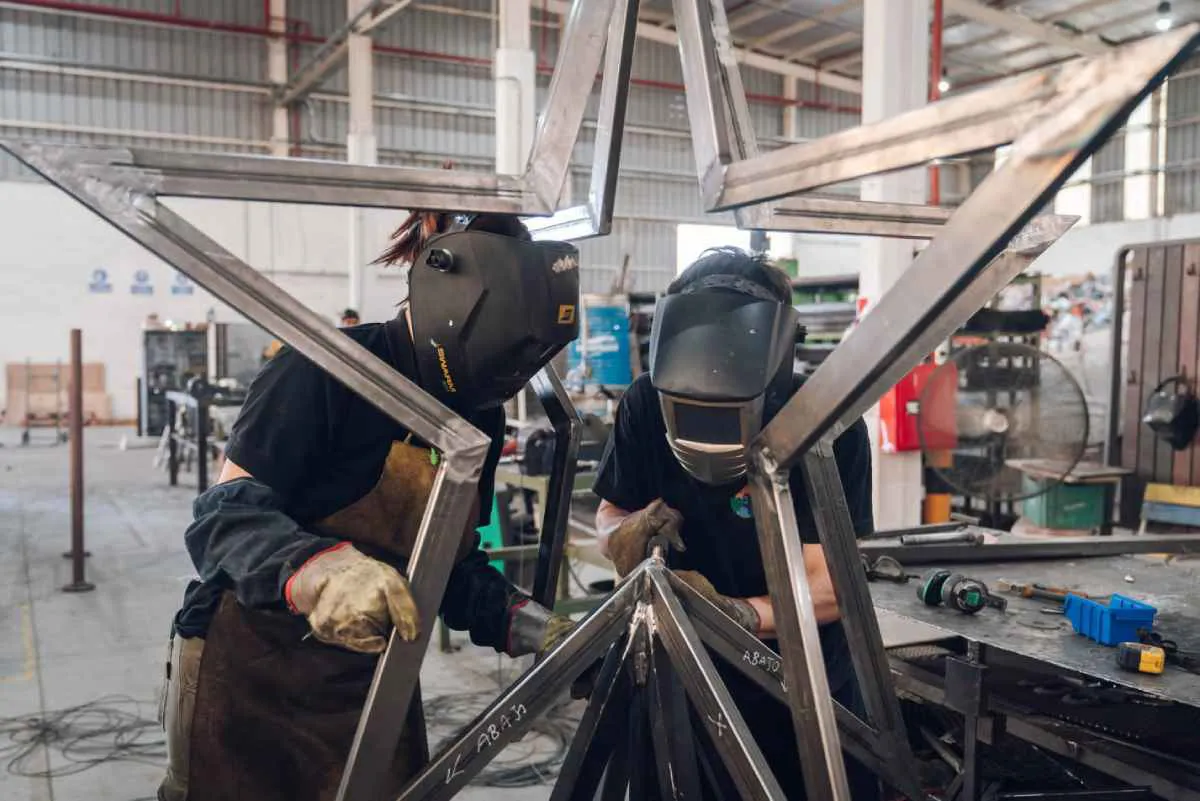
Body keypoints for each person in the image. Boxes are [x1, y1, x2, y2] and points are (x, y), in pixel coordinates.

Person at [158, 210, 582, 801]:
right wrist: (318, 573)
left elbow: (449, 571)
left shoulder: (476, 413)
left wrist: (539, 628)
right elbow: (223, 519)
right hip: (251, 673)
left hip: (373, 678)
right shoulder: (326, 370)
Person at [593, 247, 880, 800]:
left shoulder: (824, 420)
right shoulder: (646, 403)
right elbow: (610, 515)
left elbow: (834, 585)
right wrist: (621, 536)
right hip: (678, 671)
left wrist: (738, 617)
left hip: (800, 686)